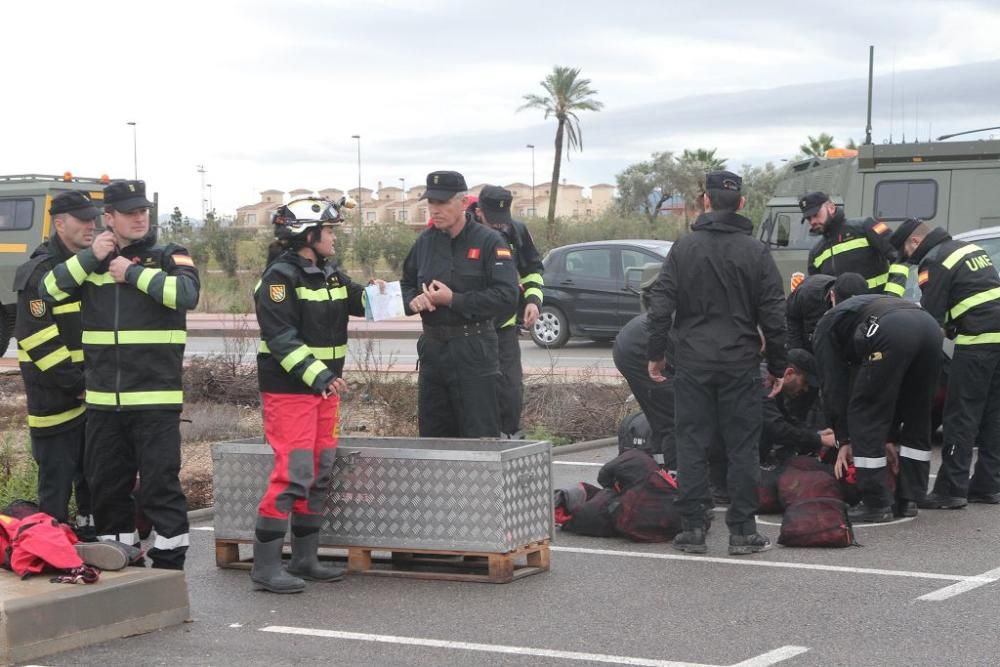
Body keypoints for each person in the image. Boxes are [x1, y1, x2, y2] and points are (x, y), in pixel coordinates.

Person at [39, 180, 199, 569]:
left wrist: (131, 273)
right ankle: (118, 559)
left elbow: (186, 296)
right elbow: (48, 292)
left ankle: (169, 559)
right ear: (108, 218)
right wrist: (89, 257)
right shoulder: (89, 264)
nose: (139, 217)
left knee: (161, 486)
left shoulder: (169, 256)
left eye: (143, 211)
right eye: (129, 212)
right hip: (103, 405)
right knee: (107, 487)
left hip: (155, 401)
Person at [646, 170, 787, 555]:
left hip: (692, 362)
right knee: (743, 446)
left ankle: (692, 527)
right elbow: (774, 314)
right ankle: (742, 531)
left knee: (691, 442)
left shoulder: (684, 247)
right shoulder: (756, 252)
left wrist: (656, 354)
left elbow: (661, 306)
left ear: (705, 201)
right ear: (741, 203)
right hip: (740, 363)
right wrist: (777, 365)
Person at [251, 197, 367, 593]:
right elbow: (280, 338)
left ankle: (304, 558)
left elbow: (361, 301)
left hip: (322, 389)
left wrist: (402, 297)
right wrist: (319, 375)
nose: (335, 238)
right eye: (330, 231)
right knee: (293, 473)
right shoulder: (279, 279)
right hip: (292, 391)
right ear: (308, 235)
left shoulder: (328, 273)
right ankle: (265, 568)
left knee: (318, 471)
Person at [812, 274, 942, 522]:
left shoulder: (828, 322)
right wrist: (890, 436)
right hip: (929, 326)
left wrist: (844, 438)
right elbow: (893, 390)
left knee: (865, 413)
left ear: (832, 297)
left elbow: (833, 385)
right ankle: (910, 498)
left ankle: (876, 502)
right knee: (918, 413)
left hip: (890, 330)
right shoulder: (873, 303)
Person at [890, 218, 1000, 508]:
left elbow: (930, 320)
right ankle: (988, 486)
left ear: (914, 242)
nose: (911, 261)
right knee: (994, 416)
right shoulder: (968, 248)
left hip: (977, 342)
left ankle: (951, 490)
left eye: (907, 253)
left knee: (961, 415)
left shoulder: (934, 262)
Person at [401, 171, 519, 438]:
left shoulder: (489, 241)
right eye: (431, 203)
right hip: (433, 352)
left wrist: (454, 299)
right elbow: (406, 284)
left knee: (479, 435)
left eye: (442, 203)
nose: (435, 209)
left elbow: (507, 296)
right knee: (434, 435)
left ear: (463, 202)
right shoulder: (424, 242)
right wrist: (413, 300)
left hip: (474, 350)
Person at [14, 191, 96, 532]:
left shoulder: (92, 268)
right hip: (57, 401)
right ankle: (50, 554)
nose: (91, 225)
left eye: (93, 218)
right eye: (82, 219)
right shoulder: (39, 272)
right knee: (55, 490)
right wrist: (78, 386)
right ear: (59, 223)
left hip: (93, 398)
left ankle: (92, 542)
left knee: (94, 482)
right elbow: (37, 339)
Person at [476, 185, 544, 438]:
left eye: (501, 222)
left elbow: (534, 269)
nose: (498, 227)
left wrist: (533, 301)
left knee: (511, 388)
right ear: (479, 211)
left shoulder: (517, 230)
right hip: (472, 329)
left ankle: (511, 435)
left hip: (505, 326)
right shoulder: (465, 233)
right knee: (480, 391)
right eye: (492, 221)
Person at [800, 191, 898, 292]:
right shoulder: (815, 253)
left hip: (877, 304)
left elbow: (899, 254)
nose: (812, 222)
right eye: (808, 218)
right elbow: (817, 290)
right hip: (843, 307)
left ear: (831, 208)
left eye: (816, 215)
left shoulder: (866, 226)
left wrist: (892, 294)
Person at [760, 348, 833, 464]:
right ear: (789, 373)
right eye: (804, 382)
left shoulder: (775, 385)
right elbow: (776, 428)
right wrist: (820, 440)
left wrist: (815, 434)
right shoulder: (762, 383)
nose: (806, 389)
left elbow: (786, 421)